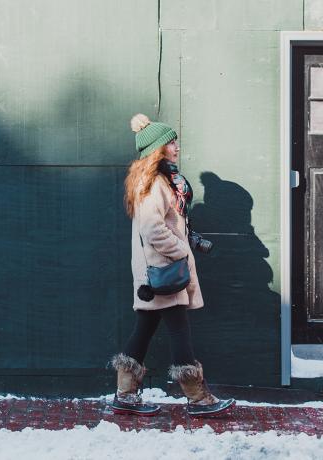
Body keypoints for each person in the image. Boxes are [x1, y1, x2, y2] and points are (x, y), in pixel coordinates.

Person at [108, 113, 235, 417]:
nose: (177, 146)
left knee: (146, 327)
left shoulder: (160, 181)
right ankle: (199, 399)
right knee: (179, 331)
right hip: (163, 269)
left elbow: (166, 222)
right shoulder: (154, 184)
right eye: (171, 142)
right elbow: (152, 229)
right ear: (158, 149)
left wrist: (186, 237)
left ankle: (125, 395)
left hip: (158, 270)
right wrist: (180, 250)